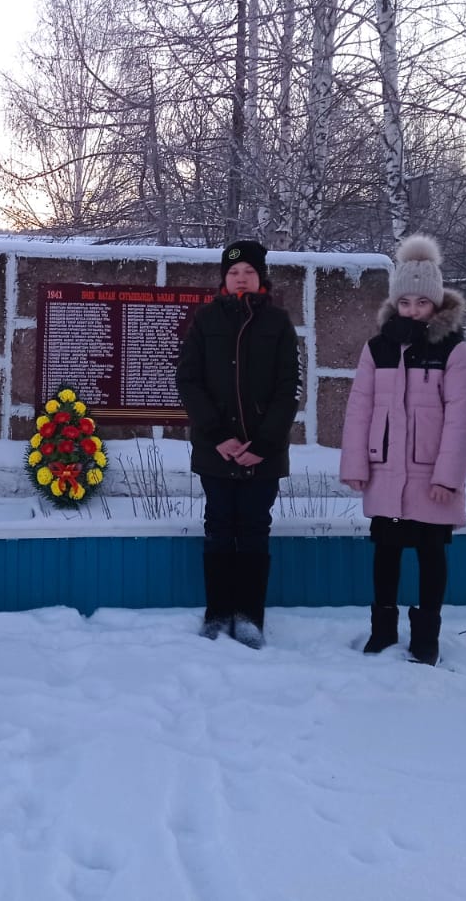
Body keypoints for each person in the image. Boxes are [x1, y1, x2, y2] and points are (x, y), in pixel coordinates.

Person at [339, 235, 466, 666]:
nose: (413, 310)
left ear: (435, 304)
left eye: (422, 302)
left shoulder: (453, 349)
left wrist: (447, 479)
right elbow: (359, 409)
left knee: (430, 554)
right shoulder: (377, 348)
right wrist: (356, 464)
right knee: (386, 552)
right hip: (385, 472)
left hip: (430, 475)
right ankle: (382, 629)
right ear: (394, 303)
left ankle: (426, 636)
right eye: (405, 302)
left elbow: (462, 418)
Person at [175, 240, 301, 649]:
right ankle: (217, 613)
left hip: (264, 453)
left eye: (248, 271)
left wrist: (264, 443)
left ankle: (249, 618)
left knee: (253, 530)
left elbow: (289, 388)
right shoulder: (206, 319)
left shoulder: (278, 322)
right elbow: (188, 380)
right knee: (218, 528)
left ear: (260, 276)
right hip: (216, 450)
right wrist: (218, 436)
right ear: (223, 279)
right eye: (233, 273)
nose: (241, 278)